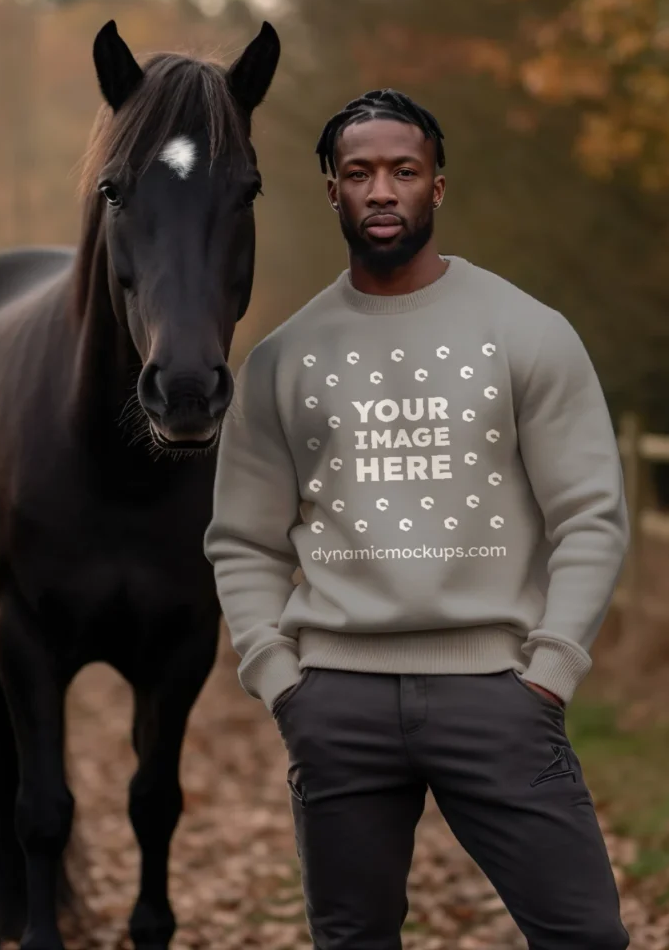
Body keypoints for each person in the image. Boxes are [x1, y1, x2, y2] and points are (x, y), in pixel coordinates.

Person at [204, 88, 631, 950]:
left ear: (439, 186)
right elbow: (242, 540)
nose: (383, 191)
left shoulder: (527, 332)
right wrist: (280, 678)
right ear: (332, 189)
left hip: (500, 696)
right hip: (337, 704)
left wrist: (551, 670)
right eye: (359, 173)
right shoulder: (283, 360)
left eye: (405, 171)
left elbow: (590, 514)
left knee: (587, 938)